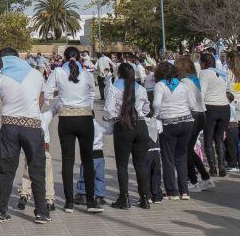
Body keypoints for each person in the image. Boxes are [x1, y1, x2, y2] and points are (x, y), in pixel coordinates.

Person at [0, 47, 48, 224]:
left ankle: (1, 210)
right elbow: (40, 101)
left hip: (9, 127)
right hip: (32, 128)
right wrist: (30, 114)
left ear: (5, 60)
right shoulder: (36, 75)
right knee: (37, 168)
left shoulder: (0, 78)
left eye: (0, 61)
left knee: (6, 169)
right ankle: (41, 211)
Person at [44, 47, 100, 213]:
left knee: (67, 160)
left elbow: (47, 93)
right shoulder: (88, 74)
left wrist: (59, 96)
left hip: (66, 119)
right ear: (79, 57)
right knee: (87, 159)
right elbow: (92, 94)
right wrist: (87, 107)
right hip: (85, 118)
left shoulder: (58, 72)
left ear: (65, 57)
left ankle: (69, 203)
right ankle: (90, 201)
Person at [103, 63, 152, 209]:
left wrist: (108, 119)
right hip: (141, 125)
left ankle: (124, 198)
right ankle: (144, 198)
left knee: (122, 164)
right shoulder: (141, 88)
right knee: (140, 163)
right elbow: (146, 108)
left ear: (120, 73)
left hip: (123, 125)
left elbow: (108, 112)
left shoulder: (114, 88)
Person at [153, 61, 198, 200]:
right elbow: (192, 104)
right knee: (181, 157)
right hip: (186, 122)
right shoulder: (183, 85)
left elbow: (156, 103)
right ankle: (184, 191)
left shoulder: (160, 85)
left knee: (168, 158)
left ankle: (172, 192)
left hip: (168, 123)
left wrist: (156, 116)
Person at [175, 57, 213, 190]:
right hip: (201, 115)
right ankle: (205, 177)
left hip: (194, 115)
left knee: (186, 150)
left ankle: (193, 180)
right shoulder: (194, 79)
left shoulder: (185, 82)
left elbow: (189, 102)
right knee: (189, 149)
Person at [198, 52, 229, 177]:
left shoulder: (204, 73)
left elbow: (202, 93)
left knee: (208, 138)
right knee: (219, 137)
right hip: (224, 107)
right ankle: (221, 165)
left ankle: (212, 167)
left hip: (210, 106)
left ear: (204, 63)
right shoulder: (222, 73)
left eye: (200, 62)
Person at [74, 118, 107, 206]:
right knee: (100, 177)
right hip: (100, 155)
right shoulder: (99, 125)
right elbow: (109, 130)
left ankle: (82, 194)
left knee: (84, 175)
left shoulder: (85, 126)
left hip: (89, 154)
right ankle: (99, 196)